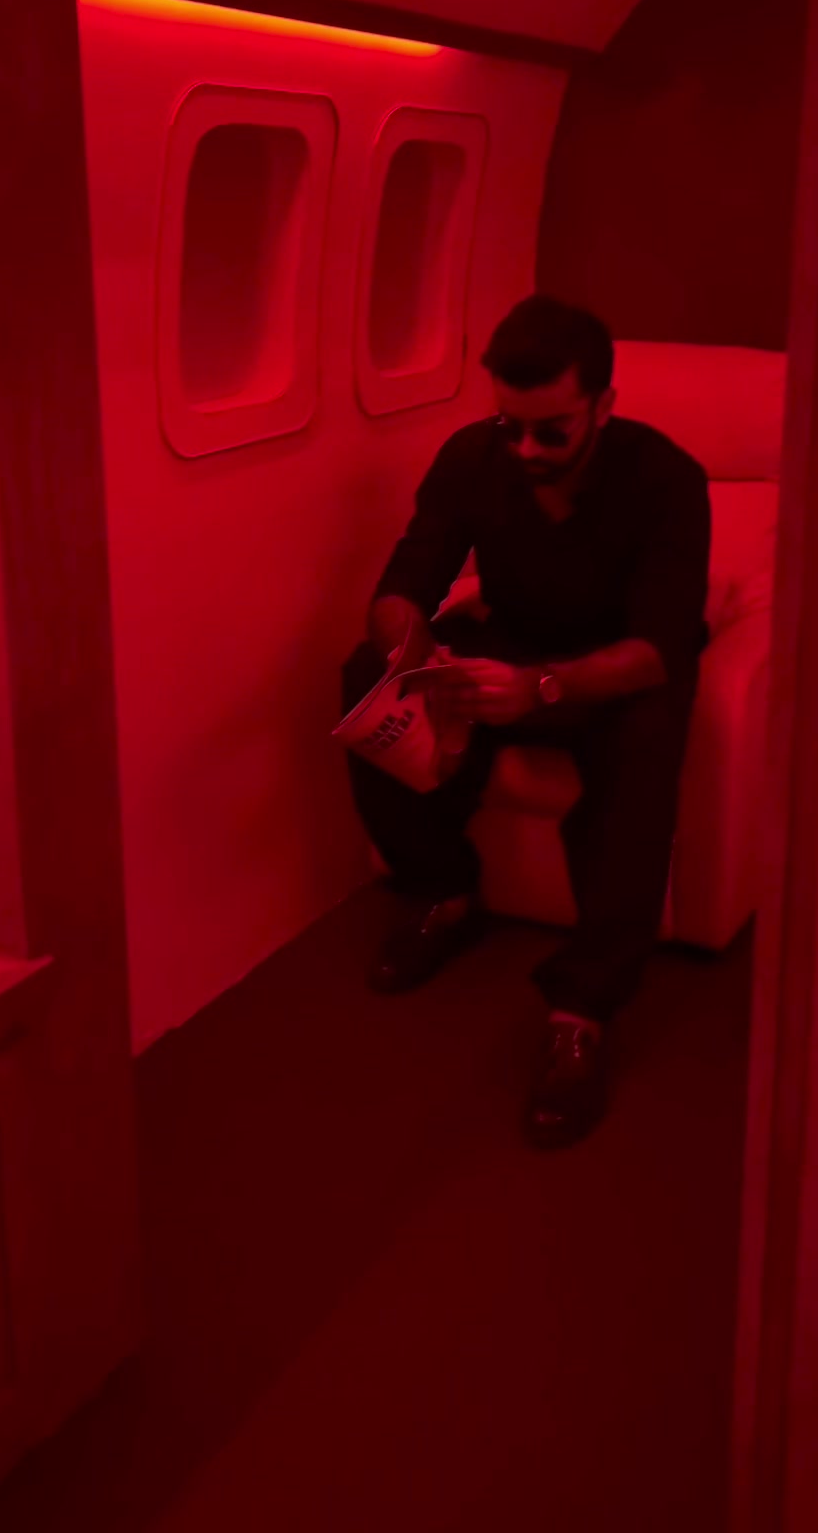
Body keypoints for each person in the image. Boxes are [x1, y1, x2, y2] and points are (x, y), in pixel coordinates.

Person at [340, 295, 711, 1149]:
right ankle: (443, 891)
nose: (526, 450)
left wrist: (538, 689)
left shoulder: (666, 479)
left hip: (613, 665)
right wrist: (421, 667)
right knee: (365, 677)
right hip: (513, 638)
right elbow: (398, 593)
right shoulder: (474, 458)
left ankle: (582, 1011)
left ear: (602, 406)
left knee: (647, 738)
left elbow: (657, 649)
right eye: (511, 426)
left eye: (551, 431)